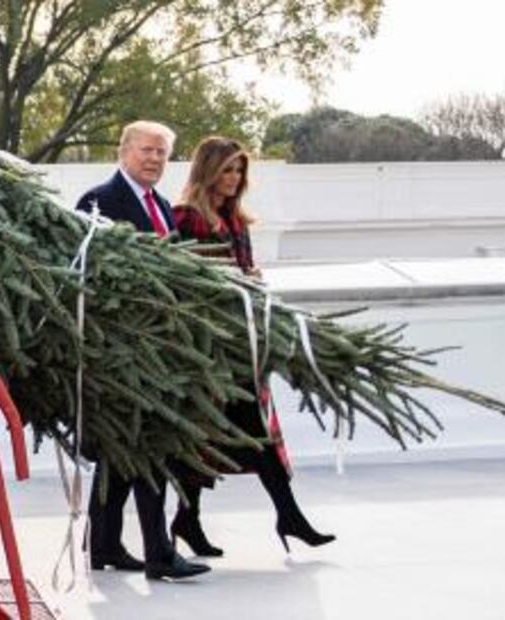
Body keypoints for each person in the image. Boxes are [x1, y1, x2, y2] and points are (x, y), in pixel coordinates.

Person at [170, 136, 336, 556]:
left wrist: (252, 277)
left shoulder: (236, 219)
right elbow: (188, 281)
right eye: (226, 169)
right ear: (207, 171)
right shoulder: (188, 217)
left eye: (239, 170)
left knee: (243, 433)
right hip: (213, 348)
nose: (234, 178)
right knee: (225, 435)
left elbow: (239, 271)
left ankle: (194, 519)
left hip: (242, 344)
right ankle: (284, 517)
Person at [75, 121, 210, 580]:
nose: (154, 159)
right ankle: (159, 552)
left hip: (158, 344)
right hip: (120, 347)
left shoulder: (164, 208)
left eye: (162, 153)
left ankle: (104, 544)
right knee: (150, 446)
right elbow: (87, 272)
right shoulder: (99, 201)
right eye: (147, 151)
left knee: (122, 449)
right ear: (124, 151)